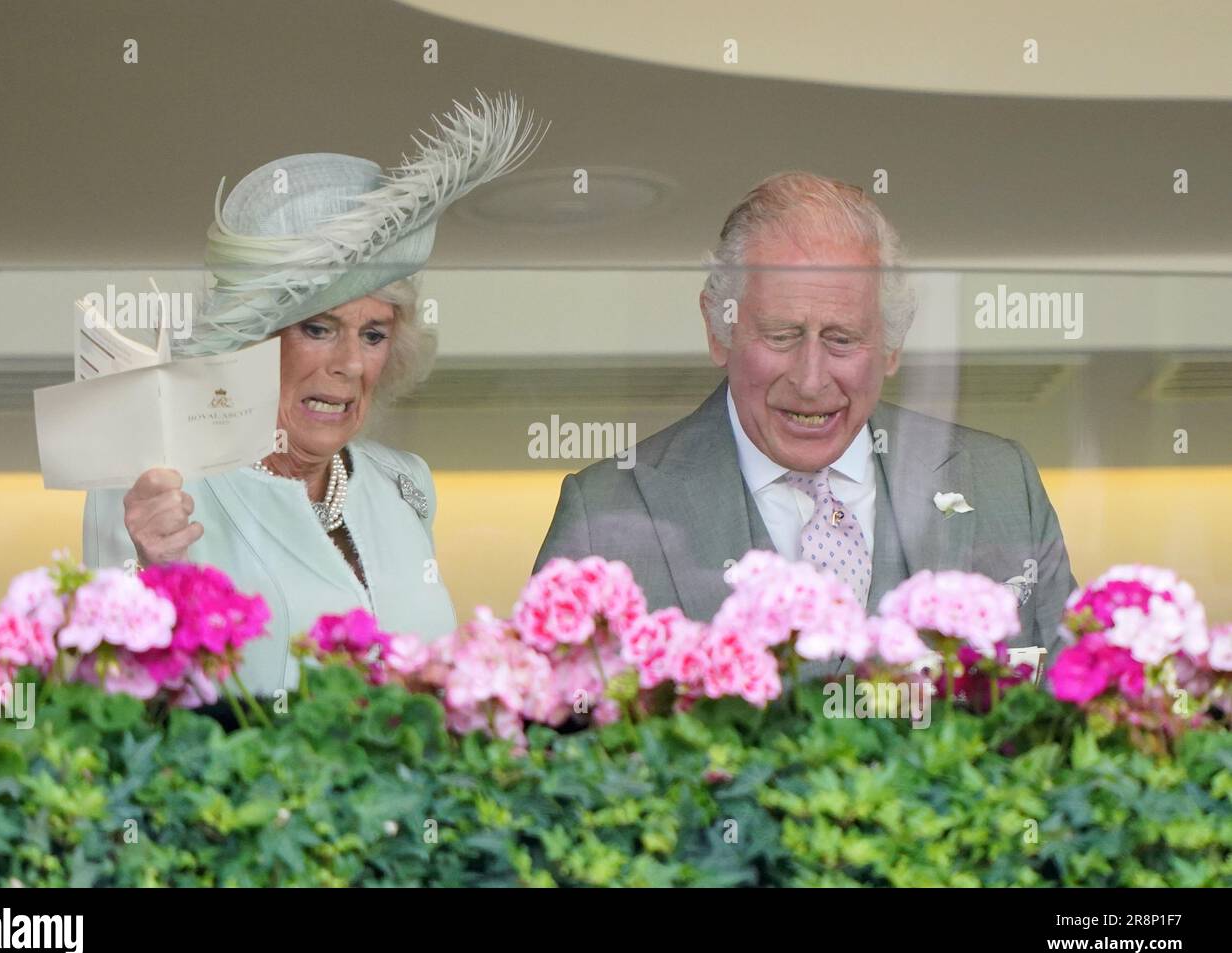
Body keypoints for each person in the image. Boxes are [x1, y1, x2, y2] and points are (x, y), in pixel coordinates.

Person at [84, 93, 546, 700]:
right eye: (318, 329)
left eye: (374, 334)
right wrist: (151, 575)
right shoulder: (161, 485)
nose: (350, 364)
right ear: (254, 342)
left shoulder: (405, 484)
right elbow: (106, 708)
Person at [535, 172, 1075, 661]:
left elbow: (1072, 725)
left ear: (891, 346)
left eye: (842, 340)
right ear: (717, 329)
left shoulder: (1003, 484)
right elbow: (547, 753)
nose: (810, 379)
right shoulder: (602, 518)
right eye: (781, 335)